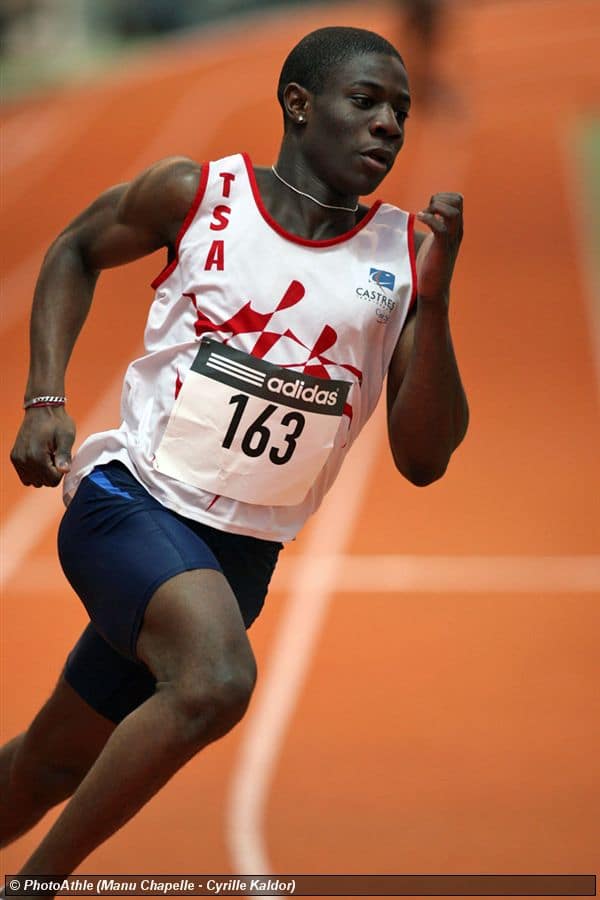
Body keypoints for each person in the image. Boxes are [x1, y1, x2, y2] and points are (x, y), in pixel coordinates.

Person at [4, 25, 468, 880]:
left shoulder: (403, 257)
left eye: (399, 112)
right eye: (365, 103)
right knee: (215, 681)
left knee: (50, 764)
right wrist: (44, 398)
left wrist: (431, 309)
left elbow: (424, 457)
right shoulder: (197, 193)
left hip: (238, 557)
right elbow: (73, 248)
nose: (389, 127)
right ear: (299, 103)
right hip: (130, 500)